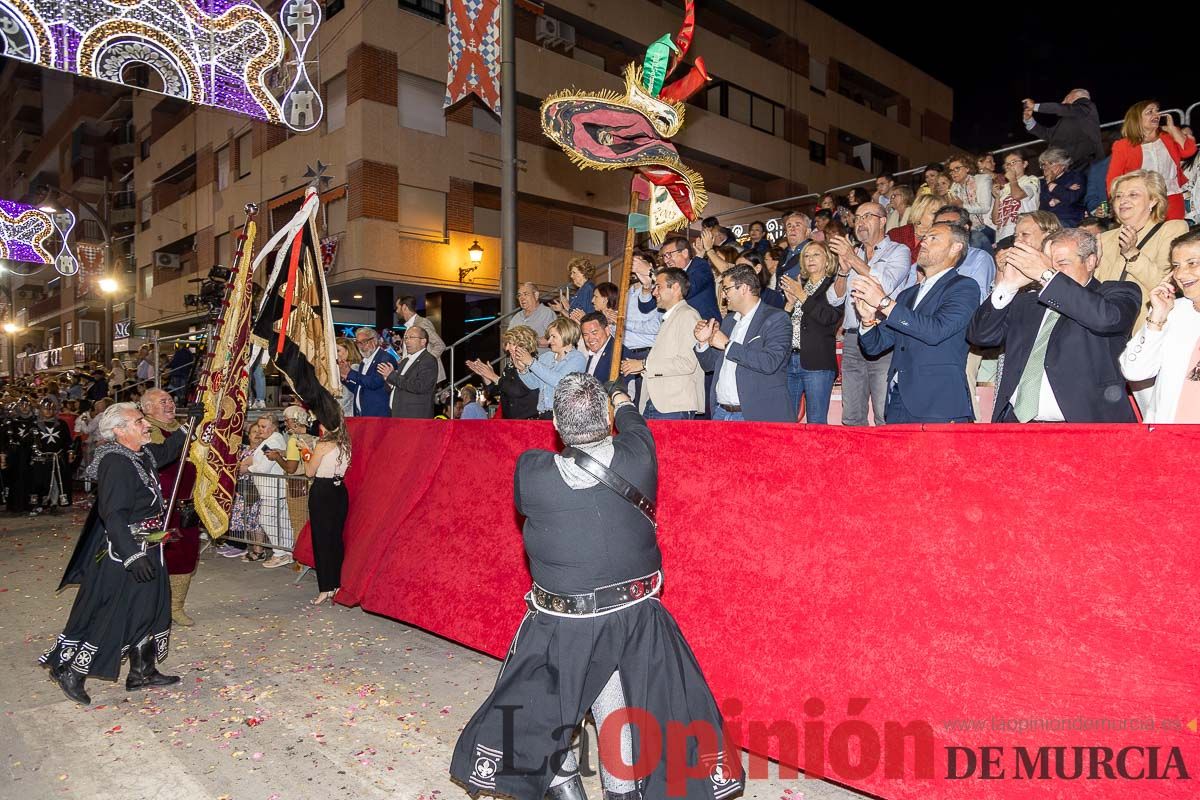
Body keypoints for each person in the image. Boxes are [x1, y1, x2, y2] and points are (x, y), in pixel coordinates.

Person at [450, 374, 741, 800]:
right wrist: (620, 395)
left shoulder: (532, 471)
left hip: (563, 623)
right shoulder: (640, 454)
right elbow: (634, 421)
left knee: (542, 703)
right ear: (606, 417)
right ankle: (621, 790)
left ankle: (565, 785)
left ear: (557, 425)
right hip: (636, 617)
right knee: (611, 685)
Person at [40, 402, 190, 705]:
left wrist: (188, 426)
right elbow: (114, 515)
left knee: (147, 609)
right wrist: (132, 555)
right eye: (139, 422)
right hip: (126, 553)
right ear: (120, 431)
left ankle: (142, 672)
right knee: (113, 613)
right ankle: (72, 672)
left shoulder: (140, 453)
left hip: (150, 546)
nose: (147, 425)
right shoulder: (116, 463)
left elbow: (167, 452)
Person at [967, 229, 1141, 423]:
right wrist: (1008, 286)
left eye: (1062, 263)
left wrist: (1046, 274)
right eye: (1049, 264)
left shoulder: (1117, 293)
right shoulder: (1027, 302)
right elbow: (980, 336)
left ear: (1090, 262)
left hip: (1085, 427)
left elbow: (1105, 319)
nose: (1053, 271)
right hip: (1017, 425)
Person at [854, 223, 981, 423]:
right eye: (925, 237)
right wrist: (867, 319)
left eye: (933, 238)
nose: (924, 242)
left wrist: (884, 303)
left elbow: (936, 331)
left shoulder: (964, 287)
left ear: (956, 247)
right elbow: (874, 346)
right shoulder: (907, 295)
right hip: (898, 401)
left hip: (939, 403)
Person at [827, 201, 915, 426]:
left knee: (883, 411)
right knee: (851, 414)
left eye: (867, 216)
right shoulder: (854, 252)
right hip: (852, 338)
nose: (860, 222)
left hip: (884, 336)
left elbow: (884, 285)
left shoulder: (899, 251)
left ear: (883, 220)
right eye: (857, 218)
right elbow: (834, 298)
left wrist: (852, 259)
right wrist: (843, 272)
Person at [694, 264, 793, 422]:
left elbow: (770, 362)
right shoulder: (729, 321)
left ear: (744, 288)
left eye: (726, 289)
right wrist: (703, 343)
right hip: (721, 412)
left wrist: (727, 345)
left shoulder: (776, 318)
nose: (723, 295)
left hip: (755, 415)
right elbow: (710, 366)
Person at [1120, 231, 1200, 422]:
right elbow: (1134, 372)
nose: (1180, 274)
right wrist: (1157, 317)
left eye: (1192, 263)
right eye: (1176, 266)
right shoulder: (1172, 312)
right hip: (1170, 433)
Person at [1096, 171, 1190, 329]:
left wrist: (1132, 254)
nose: (1123, 200)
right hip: (1104, 328)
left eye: (1133, 194)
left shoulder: (1172, 229)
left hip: (1147, 327)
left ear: (1153, 200)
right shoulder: (1104, 238)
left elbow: (1167, 286)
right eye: (1118, 196)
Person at [140, 388, 201, 627]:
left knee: (185, 556)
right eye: (163, 401)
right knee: (158, 556)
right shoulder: (146, 430)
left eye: (170, 400)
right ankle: (154, 606)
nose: (170, 404)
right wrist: (188, 428)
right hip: (160, 509)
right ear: (147, 408)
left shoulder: (182, 427)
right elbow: (162, 455)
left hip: (185, 506)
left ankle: (176, 607)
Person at [621, 267, 705, 420]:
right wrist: (641, 367)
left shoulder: (687, 315)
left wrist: (644, 364)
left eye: (658, 286)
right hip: (661, 402)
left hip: (674, 404)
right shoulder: (671, 317)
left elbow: (687, 363)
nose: (654, 292)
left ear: (675, 288)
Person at [780, 241, 842, 423]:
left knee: (816, 421)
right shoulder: (800, 286)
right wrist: (789, 305)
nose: (810, 259)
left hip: (817, 363)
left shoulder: (833, 286)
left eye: (816, 255)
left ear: (828, 260)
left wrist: (801, 296)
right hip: (790, 360)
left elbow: (829, 318)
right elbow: (783, 325)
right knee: (786, 420)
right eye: (806, 256)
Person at [1106, 101, 1197, 221]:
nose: (1156, 115)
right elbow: (1113, 178)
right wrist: (1117, 203)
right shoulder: (1123, 145)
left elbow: (1189, 151)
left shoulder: (1168, 137)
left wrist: (1172, 128)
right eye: (1150, 112)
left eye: (1157, 111)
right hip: (1142, 201)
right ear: (1137, 118)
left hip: (1173, 197)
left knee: (1175, 230)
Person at [305, 422, 351, 605]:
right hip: (339, 491)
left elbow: (309, 471)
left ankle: (325, 588)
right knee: (335, 539)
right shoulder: (345, 443)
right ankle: (337, 584)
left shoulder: (323, 444)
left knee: (322, 540)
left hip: (322, 491)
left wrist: (304, 452)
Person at [513, 317, 587, 419]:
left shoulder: (577, 358)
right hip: (544, 413)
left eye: (553, 337)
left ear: (567, 335)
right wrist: (523, 370)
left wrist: (531, 362)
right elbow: (533, 384)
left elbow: (561, 382)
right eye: (549, 337)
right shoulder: (545, 357)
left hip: (566, 415)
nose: (549, 341)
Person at [248, 415, 294, 568]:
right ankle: (287, 552)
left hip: (272, 490)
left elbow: (263, 468)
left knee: (267, 520)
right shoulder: (271, 440)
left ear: (273, 427)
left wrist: (249, 468)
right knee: (283, 522)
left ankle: (280, 553)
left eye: (263, 426)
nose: (260, 430)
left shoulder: (273, 441)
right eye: (259, 426)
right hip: (273, 490)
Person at [465, 326, 540, 420]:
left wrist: (493, 376)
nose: (507, 348)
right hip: (510, 421)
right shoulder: (510, 366)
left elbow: (517, 391)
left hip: (529, 422)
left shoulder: (535, 366)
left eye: (510, 343)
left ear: (523, 344)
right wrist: (486, 376)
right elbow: (498, 391)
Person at [619, 249, 662, 406]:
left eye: (637, 263)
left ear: (649, 265)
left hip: (644, 352)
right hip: (626, 351)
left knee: (643, 402)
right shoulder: (628, 291)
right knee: (626, 400)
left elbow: (656, 326)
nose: (634, 267)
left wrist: (625, 324)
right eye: (631, 264)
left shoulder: (656, 291)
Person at [1022, 89, 1104, 169]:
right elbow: (1048, 135)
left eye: (1065, 98)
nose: (1063, 102)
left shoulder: (1086, 106)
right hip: (1068, 165)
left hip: (1087, 163)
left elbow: (1061, 108)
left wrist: (1034, 106)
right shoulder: (1069, 119)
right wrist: (1029, 120)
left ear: (1074, 96)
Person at [932, 205, 997, 303]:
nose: (942, 230)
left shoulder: (979, 259)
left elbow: (976, 300)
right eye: (937, 226)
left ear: (965, 228)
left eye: (950, 225)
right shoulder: (927, 259)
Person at [377, 327, 438, 419]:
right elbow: (400, 384)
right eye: (405, 338)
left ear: (423, 341)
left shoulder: (428, 360)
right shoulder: (405, 361)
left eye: (411, 337)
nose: (407, 341)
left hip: (415, 417)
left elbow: (420, 386)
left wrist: (392, 376)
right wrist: (389, 382)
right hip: (398, 415)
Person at [28, 396, 73, 514]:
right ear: (40, 410)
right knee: (39, 482)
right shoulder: (34, 424)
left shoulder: (61, 424)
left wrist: (70, 452)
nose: (49, 411)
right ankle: (39, 504)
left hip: (56, 458)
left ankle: (54, 504)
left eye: (51, 409)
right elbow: (29, 442)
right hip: (40, 459)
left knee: (55, 483)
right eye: (45, 409)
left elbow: (67, 440)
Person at [659, 235, 720, 322]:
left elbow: (687, 290)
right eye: (664, 256)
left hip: (704, 323)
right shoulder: (670, 274)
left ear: (685, 253)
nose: (666, 261)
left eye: (669, 255)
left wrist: (651, 273)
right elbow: (646, 307)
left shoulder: (700, 266)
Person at [340, 327, 398, 417]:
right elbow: (360, 389)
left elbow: (374, 383)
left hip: (378, 416)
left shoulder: (385, 358)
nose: (361, 346)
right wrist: (346, 378)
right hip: (363, 415)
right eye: (358, 343)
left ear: (374, 341)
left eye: (364, 342)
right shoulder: (365, 361)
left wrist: (350, 373)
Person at [395, 295, 447, 384]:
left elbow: (440, 345)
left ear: (404, 307)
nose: (396, 311)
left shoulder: (422, 323)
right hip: (414, 377)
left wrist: (424, 362)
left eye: (397, 307)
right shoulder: (410, 326)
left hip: (425, 377)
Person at [990, 151, 1041, 240]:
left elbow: (1017, 195)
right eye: (1007, 164)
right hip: (1002, 236)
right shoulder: (1004, 188)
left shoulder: (1031, 180)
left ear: (1024, 164)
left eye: (1013, 162)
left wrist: (1012, 179)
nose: (1009, 166)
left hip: (1024, 233)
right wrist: (997, 198)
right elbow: (995, 220)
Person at [947, 153, 994, 248]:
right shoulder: (953, 188)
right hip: (967, 231)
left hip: (987, 227)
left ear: (967, 168)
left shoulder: (982, 180)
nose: (953, 173)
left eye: (957, 168)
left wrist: (962, 205)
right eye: (951, 171)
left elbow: (985, 207)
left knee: (972, 240)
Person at [1038, 147, 1087, 229]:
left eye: (1050, 163)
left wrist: (1051, 184)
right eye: (1043, 164)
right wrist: (1065, 190)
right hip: (1047, 222)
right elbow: (1045, 203)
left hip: (1069, 218)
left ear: (1063, 165)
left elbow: (1071, 198)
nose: (1046, 167)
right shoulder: (1042, 183)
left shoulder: (1075, 176)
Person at [578, 312, 615, 379]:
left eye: (594, 333)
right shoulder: (593, 352)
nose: (590, 339)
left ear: (607, 330)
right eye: (586, 335)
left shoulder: (618, 353)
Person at [335, 337, 360, 419]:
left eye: (338, 350)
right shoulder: (337, 368)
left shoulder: (355, 368)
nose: (335, 353)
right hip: (338, 413)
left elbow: (348, 395)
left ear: (348, 350)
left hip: (348, 414)